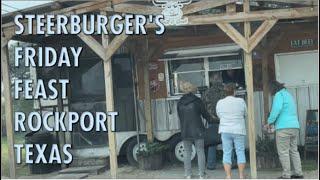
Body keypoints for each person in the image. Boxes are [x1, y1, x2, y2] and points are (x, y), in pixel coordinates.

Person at [265, 81, 303, 179]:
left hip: (283, 127)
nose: (270, 92)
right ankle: (298, 173)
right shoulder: (288, 95)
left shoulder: (279, 95)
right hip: (294, 126)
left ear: (273, 88)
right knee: (294, 150)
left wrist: (269, 121)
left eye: (270, 90)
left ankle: (286, 174)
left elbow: (276, 109)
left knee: (283, 152)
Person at [177, 81, 212, 179]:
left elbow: (180, 117)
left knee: (187, 152)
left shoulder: (179, 102)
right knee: (200, 151)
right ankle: (202, 175)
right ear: (192, 89)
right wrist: (212, 120)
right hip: (198, 130)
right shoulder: (197, 101)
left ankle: (188, 175)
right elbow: (205, 114)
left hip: (185, 130)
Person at [216, 83, 247, 179]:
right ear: (234, 91)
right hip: (238, 130)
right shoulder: (241, 101)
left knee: (227, 152)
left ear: (225, 92)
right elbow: (245, 113)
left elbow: (219, 115)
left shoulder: (220, 102)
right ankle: (241, 176)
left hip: (225, 130)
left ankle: (228, 176)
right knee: (240, 151)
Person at [202, 72, 225, 170]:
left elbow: (202, 106)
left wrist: (208, 117)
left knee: (212, 143)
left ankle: (211, 164)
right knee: (228, 142)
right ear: (221, 80)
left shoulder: (206, 93)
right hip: (225, 120)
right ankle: (231, 163)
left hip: (212, 121)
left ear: (211, 80)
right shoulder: (226, 91)